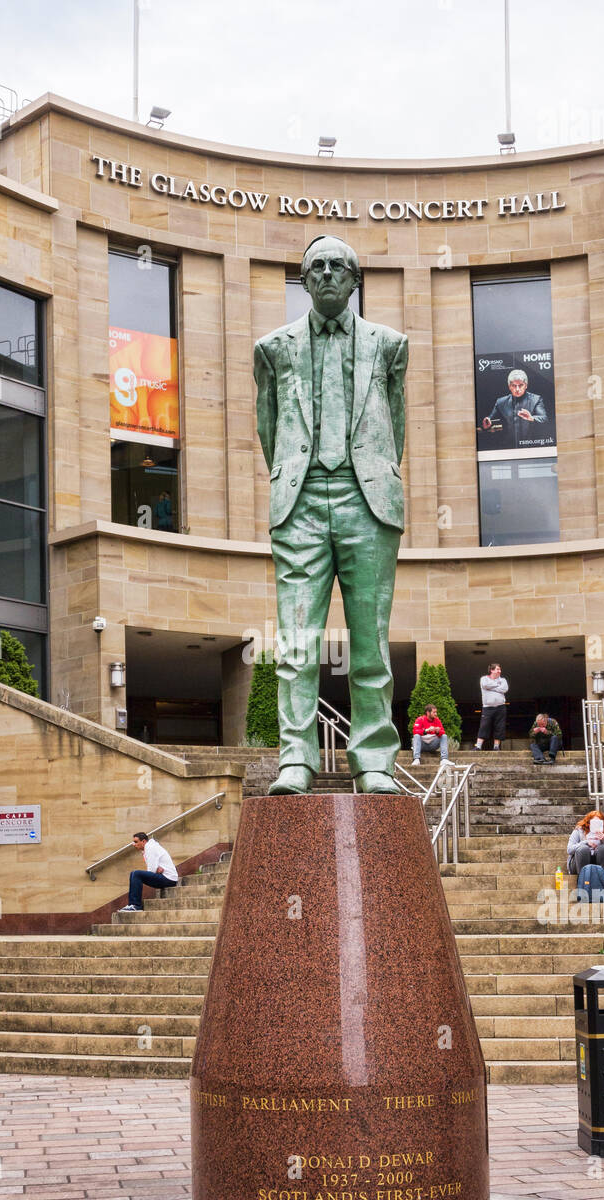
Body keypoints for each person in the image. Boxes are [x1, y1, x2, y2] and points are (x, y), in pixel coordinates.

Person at [254, 234, 408, 795]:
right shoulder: (272, 349)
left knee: (370, 641)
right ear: (303, 280)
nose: (324, 275)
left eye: (336, 267)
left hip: (366, 502)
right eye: (314, 268)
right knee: (296, 642)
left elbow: (396, 426)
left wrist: (367, 477)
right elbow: (268, 429)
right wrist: (299, 480)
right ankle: (295, 758)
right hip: (300, 503)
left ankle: (373, 762)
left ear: (355, 279)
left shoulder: (390, 346)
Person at [480, 369, 548, 446]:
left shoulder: (536, 399)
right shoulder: (501, 402)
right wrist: (487, 424)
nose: (517, 389)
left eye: (520, 385)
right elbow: (490, 420)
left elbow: (544, 418)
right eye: (514, 386)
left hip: (532, 444)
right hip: (508, 445)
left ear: (526, 385)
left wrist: (531, 418)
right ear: (509, 386)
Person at [122, 830, 179, 911]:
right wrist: (157, 869)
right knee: (133, 874)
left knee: (136, 874)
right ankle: (132, 904)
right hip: (166, 878)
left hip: (169, 879)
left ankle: (136, 905)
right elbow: (154, 869)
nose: (133, 844)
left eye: (136, 842)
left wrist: (156, 869)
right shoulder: (148, 848)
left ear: (143, 841)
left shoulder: (149, 847)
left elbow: (151, 870)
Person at [566, 810, 604, 876]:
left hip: (596, 863)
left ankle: (603, 878)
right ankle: (582, 879)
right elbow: (569, 850)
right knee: (584, 849)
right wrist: (586, 842)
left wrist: (603, 840)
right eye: (593, 822)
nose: (596, 824)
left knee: (602, 848)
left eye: (599, 822)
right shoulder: (579, 830)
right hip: (578, 863)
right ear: (588, 822)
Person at [475, 662, 508, 749]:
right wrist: (497, 685)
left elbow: (505, 689)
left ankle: (496, 747)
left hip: (500, 707)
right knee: (484, 726)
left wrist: (491, 688)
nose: (499, 671)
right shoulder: (484, 679)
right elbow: (485, 685)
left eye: (500, 669)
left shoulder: (503, 680)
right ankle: (478, 746)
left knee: (499, 726)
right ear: (491, 670)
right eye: (497, 669)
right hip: (487, 708)